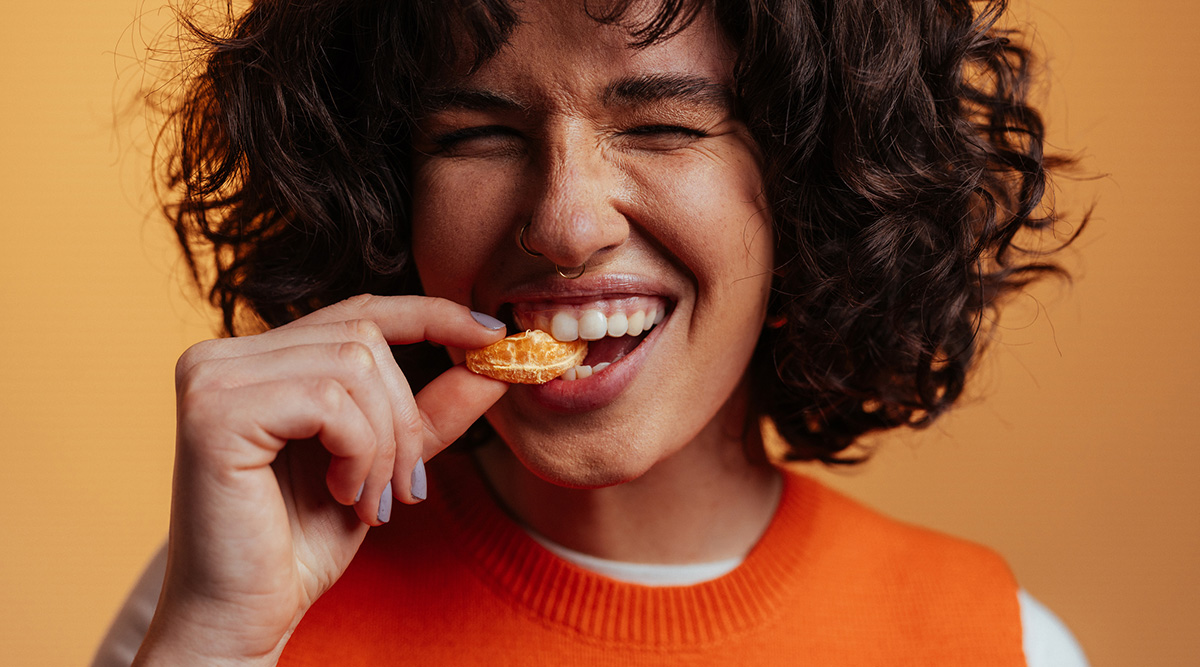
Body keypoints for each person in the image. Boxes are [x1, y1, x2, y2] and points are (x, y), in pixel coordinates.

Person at [95, 0, 1089, 664]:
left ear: (813, 183)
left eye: (662, 124)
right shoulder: (229, 606)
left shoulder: (993, 640)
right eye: (476, 136)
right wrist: (214, 635)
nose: (564, 224)